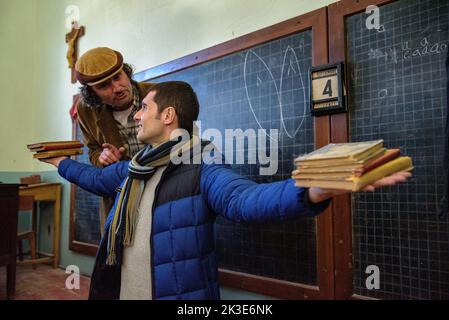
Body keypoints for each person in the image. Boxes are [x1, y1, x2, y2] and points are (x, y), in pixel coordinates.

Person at [43, 81, 411, 300]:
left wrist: (310, 190)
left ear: (167, 116)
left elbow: (245, 201)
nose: (136, 115)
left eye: (144, 108)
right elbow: (93, 179)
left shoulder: (203, 169)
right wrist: (58, 163)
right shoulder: (133, 169)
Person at [74, 47, 154, 232]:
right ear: (92, 93)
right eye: (104, 86)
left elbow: (184, 141)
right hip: (120, 198)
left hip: (162, 193)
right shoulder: (86, 110)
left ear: (126, 72)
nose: (117, 88)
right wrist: (102, 157)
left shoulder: (157, 94)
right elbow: (93, 150)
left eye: (118, 77)